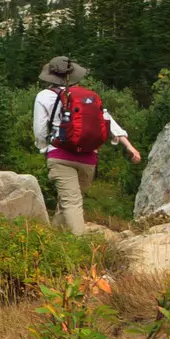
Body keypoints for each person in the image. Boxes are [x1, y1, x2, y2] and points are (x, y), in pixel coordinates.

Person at [32, 56, 141, 235]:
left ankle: (81, 248)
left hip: (60, 156)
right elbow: (107, 120)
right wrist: (129, 146)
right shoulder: (88, 96)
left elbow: (40, 130)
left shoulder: (44, 96)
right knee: (69, 200)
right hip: (89, 158)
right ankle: (54, 237)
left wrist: (44, 148)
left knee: (71, 202)